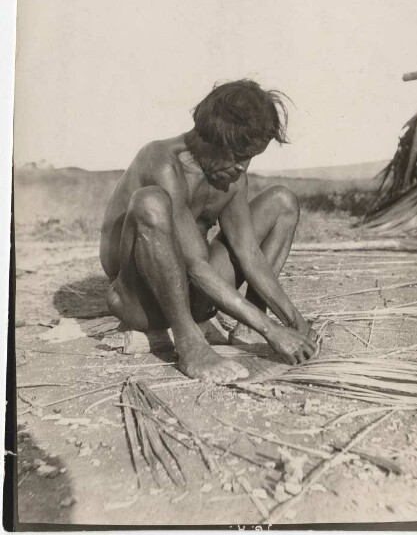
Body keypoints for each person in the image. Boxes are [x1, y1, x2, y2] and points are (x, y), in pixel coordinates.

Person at [100, 79, 318, 384]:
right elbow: (195, 267)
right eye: (238, 155)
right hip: (142, 300)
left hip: (198, 299)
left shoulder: (229, 176)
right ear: (212, 136)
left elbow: (250, 254)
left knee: (282, 201)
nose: (243, 167)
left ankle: (246, 327)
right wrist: (271, 331)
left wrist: (293, 321)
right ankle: (190, 345)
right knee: (151, 202)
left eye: (250, 157)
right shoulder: (162, 162)